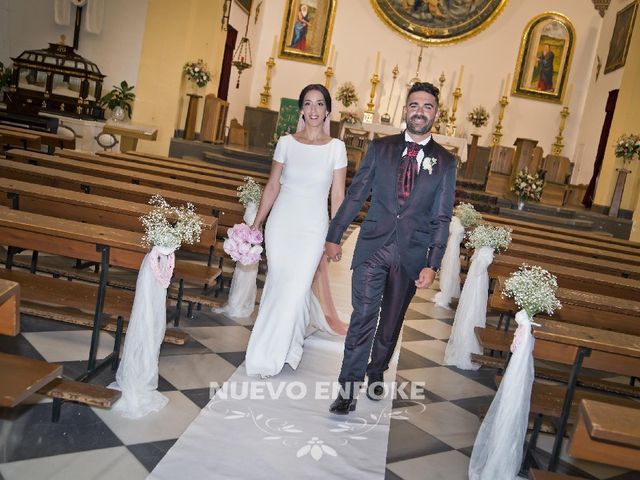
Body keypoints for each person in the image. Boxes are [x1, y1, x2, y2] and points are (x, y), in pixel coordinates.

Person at [325, 82, 456, 414]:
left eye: (427, 106)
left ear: (436, 114)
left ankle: (377, 369)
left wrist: (433, 262)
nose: (419, 111)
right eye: (414, 105)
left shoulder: (445, 162)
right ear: (405, 110)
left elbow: (442, 216)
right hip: (373, 246)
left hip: (411, 254)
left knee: (391, 322)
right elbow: (357, 194)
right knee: (363, 317)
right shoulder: (380, 148)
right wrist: (334, 234)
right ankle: (348, 389)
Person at [244, 84, 348, 378]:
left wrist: (334, 236)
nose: (313, 110)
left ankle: (272, 353)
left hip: (313, 227)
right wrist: (257, 223)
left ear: (328, 110)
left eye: (319, 104)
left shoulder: (336, 148)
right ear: (301, 109)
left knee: (296, 287)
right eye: (308, 103)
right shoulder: (286, 143)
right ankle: (282, 349)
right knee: (279, 285)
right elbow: (273, 185)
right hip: (282, 224)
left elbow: (337, 196)